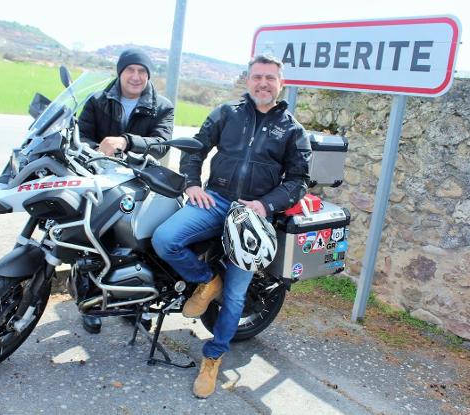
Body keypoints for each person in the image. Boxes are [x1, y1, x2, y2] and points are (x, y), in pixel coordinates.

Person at [152, 54, 312, 398]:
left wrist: (265, 204)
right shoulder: (226, 113)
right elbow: (195, 149)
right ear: (248, 80)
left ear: (281, 83)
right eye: (257, 76)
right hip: (216, 199)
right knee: (165, 239)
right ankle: (207, 280)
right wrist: (192, 184)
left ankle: (213, 358)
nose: (263, 83)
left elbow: (299, 180)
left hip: (253, 213)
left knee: (237, 293)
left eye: (270, 77)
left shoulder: (292, 129)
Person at [78, 48, 174, 334]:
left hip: (139, 179)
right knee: (90, 239)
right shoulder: (97, 100)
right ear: (120, 72)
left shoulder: (162, 106)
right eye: (130, 70)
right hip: (97, 177)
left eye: (142, 71)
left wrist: (125, 142)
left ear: (148, 76)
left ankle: (135, 304)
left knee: (137, 240)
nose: (136, 76)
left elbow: (161, 143)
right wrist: (92, 151)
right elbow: (82, 133)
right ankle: (91, 303)